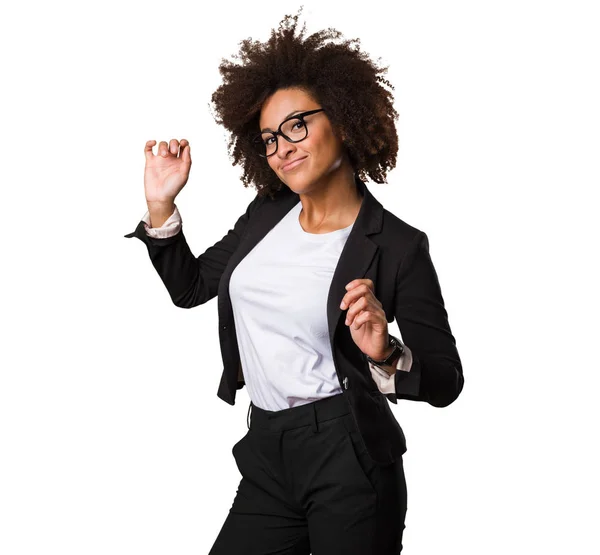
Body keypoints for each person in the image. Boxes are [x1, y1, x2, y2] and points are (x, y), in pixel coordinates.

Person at [124, 7, 464, 554]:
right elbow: (190, 288)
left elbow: (446, 379)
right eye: (268, 139)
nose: (282, 149)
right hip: (267, 450)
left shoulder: (398, 246)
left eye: (297, 126)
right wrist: (161, 205)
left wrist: (384, 354)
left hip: (349, 455)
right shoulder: (266, 214)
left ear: (345, 118)